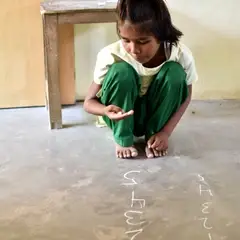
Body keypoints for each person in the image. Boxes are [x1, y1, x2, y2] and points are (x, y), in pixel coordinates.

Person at [83, 0, 198, 159]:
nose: (134, 50)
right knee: (121, 71)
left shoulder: (180, 55)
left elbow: (186, 96)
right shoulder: (110, 55)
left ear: (161, 35)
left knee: (175, 73)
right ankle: (123, 137)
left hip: (154, 116)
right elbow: (88, 102)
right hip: (121, 116)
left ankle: (154, 138)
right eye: (126, 40)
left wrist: (165, 132)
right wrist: (104, 111)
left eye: (143, 42)